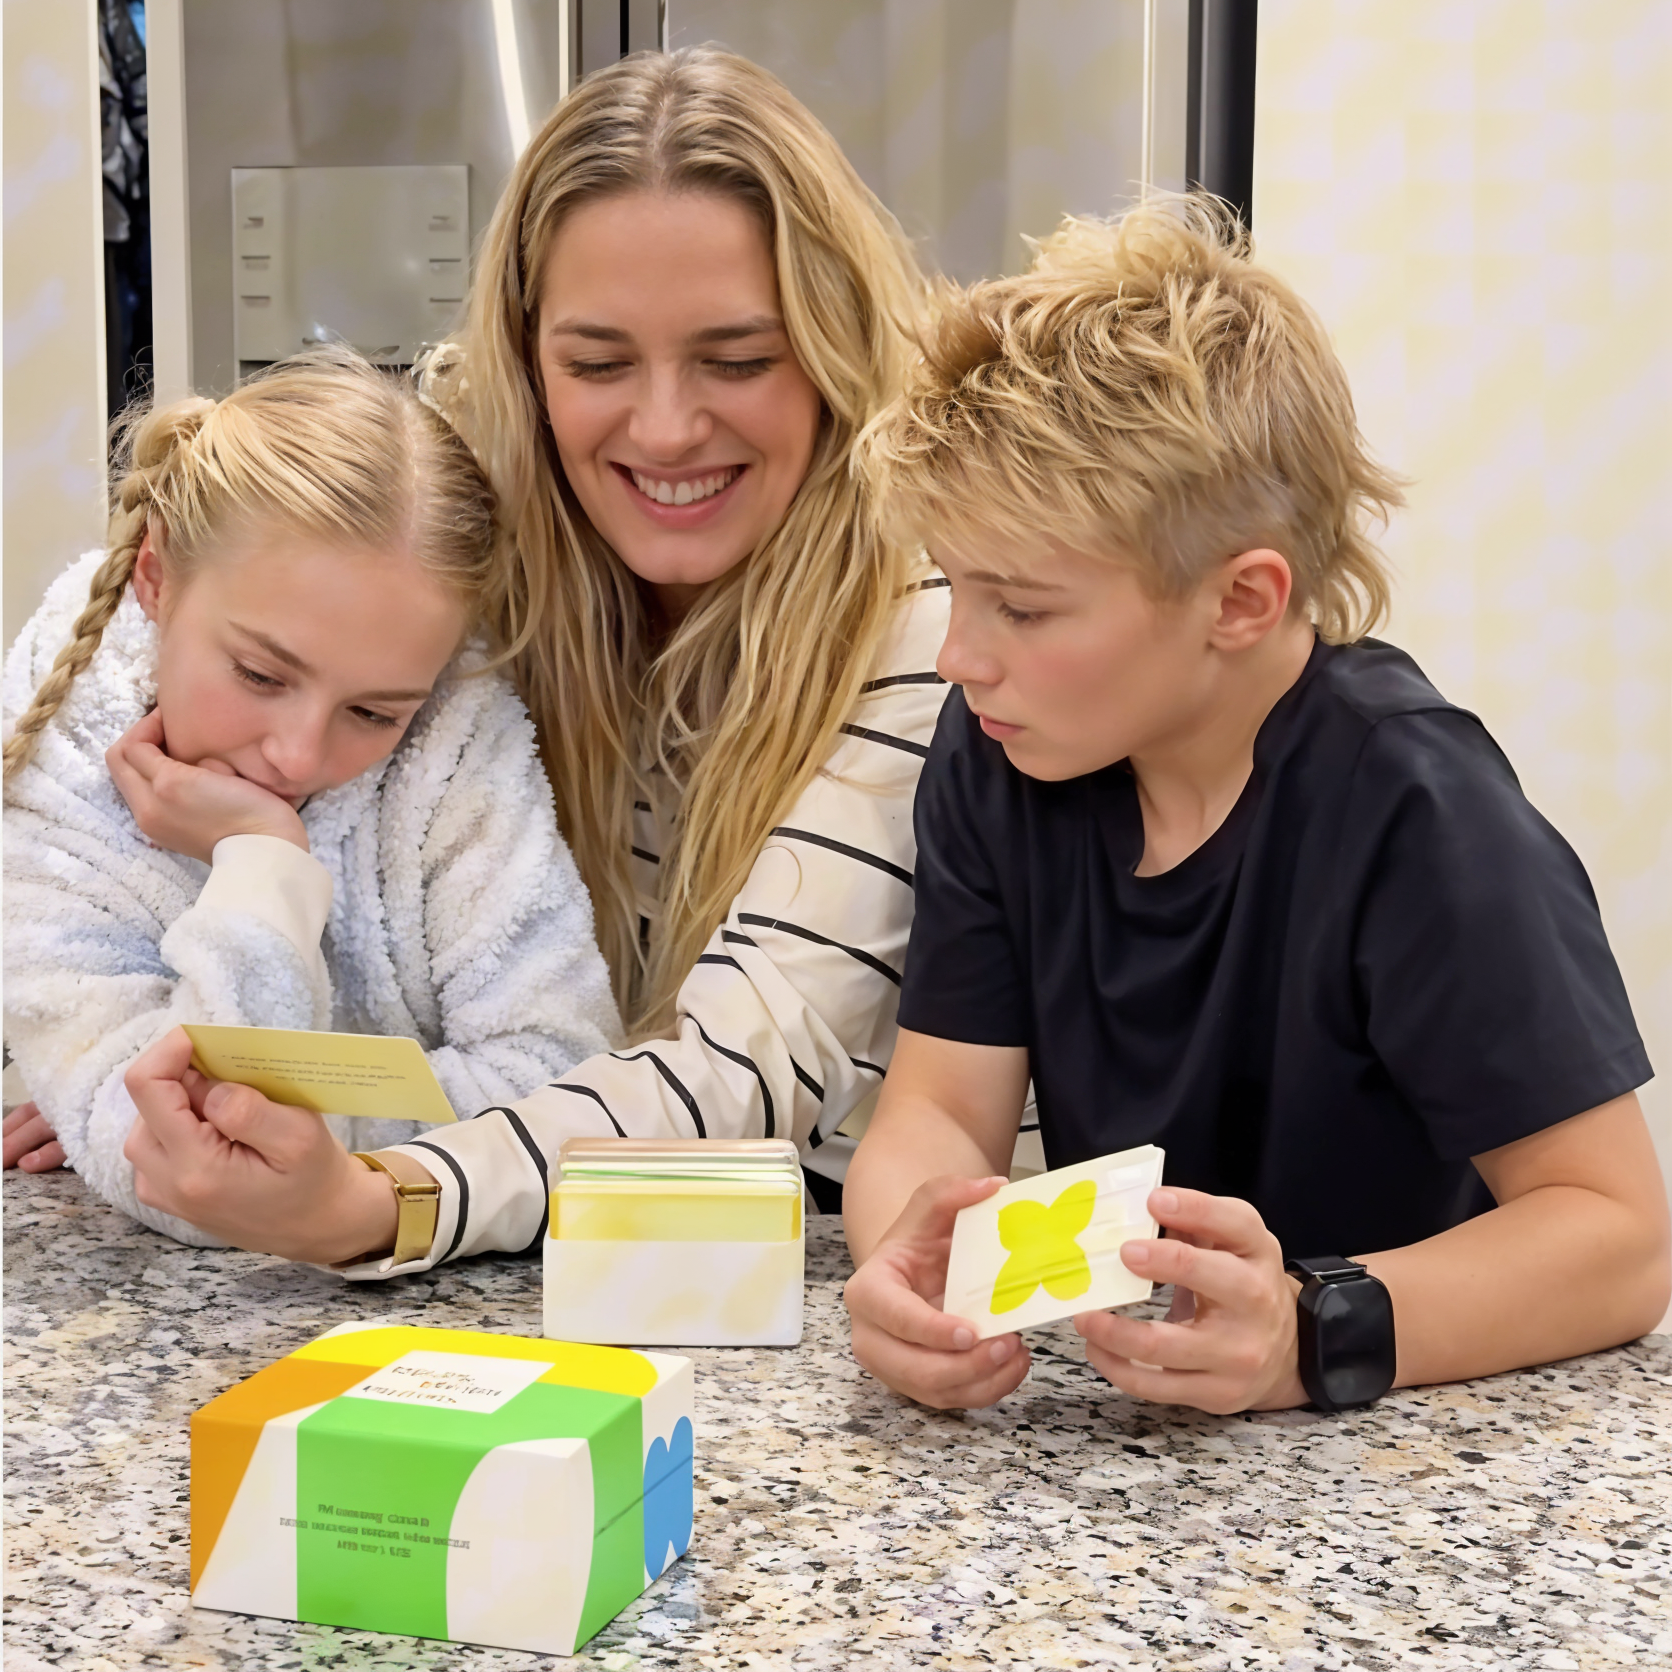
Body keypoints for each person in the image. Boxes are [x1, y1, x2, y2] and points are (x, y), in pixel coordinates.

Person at [114, 48, 955, 1271]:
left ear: (835, 352)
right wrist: (173, 1070)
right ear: (523, 360)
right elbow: (391, 931)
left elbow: (748, 1063)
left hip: (853, 1281)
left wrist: (379, 1200)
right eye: (599, 363)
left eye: (736, 359)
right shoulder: (482, 574)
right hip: (572, 1244)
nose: (666, 425)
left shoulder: (932, 620)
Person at [840, 195, 1670, 1413]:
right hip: (1137, 1434)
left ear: (1238, 600)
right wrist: (904, 1257)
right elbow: (939, 1110)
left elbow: (1617, 1237)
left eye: (1020, 607)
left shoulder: (1413, 806)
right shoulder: (1002, 752)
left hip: (1403, 1448)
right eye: (954, 589)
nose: (960, 654)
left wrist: (1305, 1331)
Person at [1, 348, 620, 1254]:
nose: (298, 755)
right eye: (259, 673)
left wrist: (308, 1150)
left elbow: (569, 1085)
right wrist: (270, 870)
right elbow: (177, 1172)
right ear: (156, 577)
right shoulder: (56, 756)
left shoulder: (455, 736)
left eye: (373, 713)